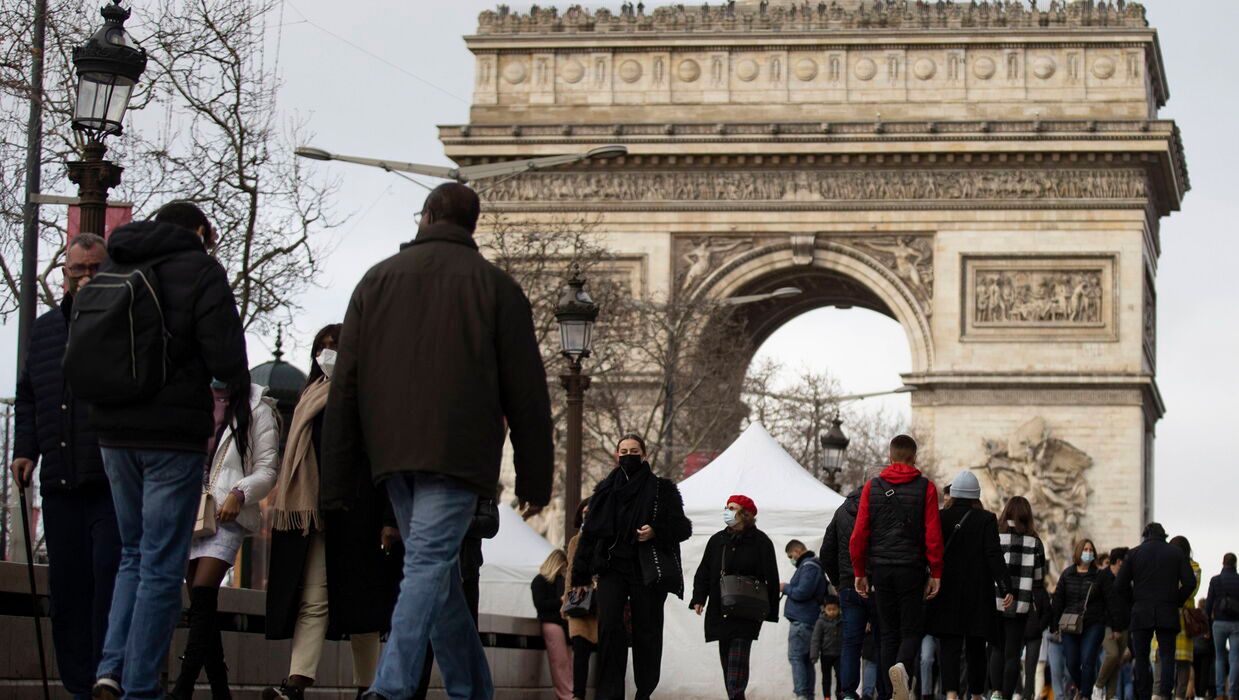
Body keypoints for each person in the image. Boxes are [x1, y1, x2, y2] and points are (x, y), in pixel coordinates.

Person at [320, 182, 555, 700]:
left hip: (391, 455)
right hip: (457, 453)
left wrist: (336, 474)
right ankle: (395, 688)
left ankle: (438, 687)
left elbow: (346, 386)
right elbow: (528, 393)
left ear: (425, 217)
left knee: (431, 570)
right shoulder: (497, 288)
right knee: (432, 571)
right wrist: (537, 475)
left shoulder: (375, 281)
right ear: (472, 225)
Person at [72, 202, 250, 700]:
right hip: (170, 436)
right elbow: (228, 360)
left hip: (112, 432)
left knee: (132, 552)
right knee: (162, 563)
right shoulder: (201, 269)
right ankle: (140, 687)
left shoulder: (117, 261)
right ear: (198, 231)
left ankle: (110, 668)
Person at [262, 325, 402, 700]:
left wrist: (389, 519)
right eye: (320, 347)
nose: (327, 353)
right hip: (315, 514)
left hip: (360, 515)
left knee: (364, 605)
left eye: (334, 346)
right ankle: (297, 681)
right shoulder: (311, 396)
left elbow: (385, 460)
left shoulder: (368, 397)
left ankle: (368, 687)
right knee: (313, 598)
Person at [10, 233, 121, 700]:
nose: (87, 276)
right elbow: (29, 396)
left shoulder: (122, 324)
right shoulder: (44, 331)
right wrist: (24, 451)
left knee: (107, 578)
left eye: (96, 268)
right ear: (65, 274)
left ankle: (107, 673)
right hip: (58, 481)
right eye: (79, 269)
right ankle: (79, 684)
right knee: (68, 588)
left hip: (107, 479)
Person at [170, 381, 280, 699]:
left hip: (228, 514)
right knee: (203, 608)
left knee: (203, 593)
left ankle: (183, 688)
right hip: (191, 511)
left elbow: (267, 469)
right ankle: (221, 690)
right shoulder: (191, 394)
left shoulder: (257, 406)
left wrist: (240, 492)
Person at [572, 434, 692, 700]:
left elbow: (683, 528)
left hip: (645, 571)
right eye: (623, 450)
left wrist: (656, 531)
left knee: (647, 631)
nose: (628, 455)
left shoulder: (662, 489)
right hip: (611, 568)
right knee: (609, 628)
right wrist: (579, 575)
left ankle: (644, 691)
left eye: (634, 450)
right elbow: (589, 534)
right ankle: (610, 693)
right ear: (617, 455)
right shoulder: (604, 490)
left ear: (645, 455)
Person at [850, 435, 945, 700]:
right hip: (912, 569)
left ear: (890, 458)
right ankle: (902, 668)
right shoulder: (925, 488)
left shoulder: (873, 486)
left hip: (880, 568)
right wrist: (935, 572)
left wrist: (860, 572)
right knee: (911, 629)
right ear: (914, 458)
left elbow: (859, 535)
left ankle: (889, 692)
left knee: (888, 631)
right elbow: (933, 535)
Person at [925, 471, 1013, 700]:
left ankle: (952, 693)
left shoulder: (939, 517)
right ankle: (975, 694)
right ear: (976, 495)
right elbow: (994, 555)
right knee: (976, 647)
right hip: (978, 593)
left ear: (953, 494)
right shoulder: (986, 519)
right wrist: (1006, 587)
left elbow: (931, 551)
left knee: (949, 647)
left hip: (946, 592)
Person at [690, 495, 780, 700]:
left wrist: (770, 611)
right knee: (727, 661)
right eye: (726, 507)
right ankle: (735, 696)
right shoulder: (717, 540)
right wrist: (698, 598)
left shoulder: (761, 542)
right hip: (720, 611)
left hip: (747, 611)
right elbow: (704, 571)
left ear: (745, 514)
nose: (727, 511)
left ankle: (736, 696)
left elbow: (771, 578)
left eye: (732, 508)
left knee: (737, 663)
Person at [1112, 523, 1197, 700]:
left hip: (1141, 611)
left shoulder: (1133, 554)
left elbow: (1119, 585)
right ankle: (1165, 693)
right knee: (1167, 655)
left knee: (1141, 657)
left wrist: (1133, 600)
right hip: (1168, 611)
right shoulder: (1176, 553)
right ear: (1164, 536)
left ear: (1145, 535)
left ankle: (1144, 694)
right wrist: (1177, 601)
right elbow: (1190, 582)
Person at [823, 482, 890, 700]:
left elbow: (826, 552)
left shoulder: (841, 511)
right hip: (877, 584)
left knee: (851, 642)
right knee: (882, 639)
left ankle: (849, 693)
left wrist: (839, 581)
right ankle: (883, 691)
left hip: (849, 586)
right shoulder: (882, 509)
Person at [989, 496, 1048, 700]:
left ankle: (995, 693)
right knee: (1012, 654)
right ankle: (1006, 696)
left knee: (996, 648)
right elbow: (1040, 578)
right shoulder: (1035, 541)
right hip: (1020, 604)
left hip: (995, 600)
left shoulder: (995, 535)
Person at [1053, 538, 1109, 700]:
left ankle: (1085, 695)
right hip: (1070, 623)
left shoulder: (1100, 576)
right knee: (1071, 663)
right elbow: (1058, 599)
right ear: (1078, 552)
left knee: (1087, 660)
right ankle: (1083, 687)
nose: (1088, 553)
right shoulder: (1067, 573)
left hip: (1093, 623)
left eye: (1091, 550)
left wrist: (1113, 624)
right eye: (1085, 550)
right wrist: (1054, 623)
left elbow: (1110, 599)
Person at [786, 539, 831, 700]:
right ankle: (807, 695)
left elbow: (802, 592)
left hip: (801, 621)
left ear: (797, 551)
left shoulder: (809, 566)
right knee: (806, 660)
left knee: (797, 658)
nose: (791, 560)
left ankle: (802, 695)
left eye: (791, 556)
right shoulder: (812, 565)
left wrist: (785, 588)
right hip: (808, 620)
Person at [563, 499, 598, 700]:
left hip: (599, 600)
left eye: (589, 511)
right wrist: (567, 602)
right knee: (580, 649)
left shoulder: (604, 536)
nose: (586, 515)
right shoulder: (576, 540)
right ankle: (578, 695)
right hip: (579, 598)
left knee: (605, 652)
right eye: (583, 512)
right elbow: (569, 572)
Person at [533, 550, 573, 700]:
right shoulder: (540, 581)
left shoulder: (558, 581)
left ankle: (569, 693)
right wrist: (561, 601)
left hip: (562, 624)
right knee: (560, 662)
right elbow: (540, 605)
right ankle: (567, 694)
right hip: (552, 623)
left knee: (566, 661)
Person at [1094, 548, 1132, 700]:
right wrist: (1114, 627)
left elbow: (1128, 603)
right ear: (1119, 562)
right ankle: (1098, 685)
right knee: (1113, 654)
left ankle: (1111, 696)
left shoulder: (1126, 580)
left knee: (1117, 662)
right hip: (1107, 625)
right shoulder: (1103, 577)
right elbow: (1105, 604)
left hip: (1123, 627)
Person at [1168, 537, 1202, 700]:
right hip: (1167, 616)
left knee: (1183, 664)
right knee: (1164, 661)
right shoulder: (1164, 566)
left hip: (1184, 620)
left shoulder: (1194, 568)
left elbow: (1191, 590)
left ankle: (1179, 696)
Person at [1205, 552, 1239, 700]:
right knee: (1235, 658)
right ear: (1235, 563)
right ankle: (1232, 692)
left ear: (1223, 563)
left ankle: (1219, 693)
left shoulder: (1215, 580)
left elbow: (1208, 604)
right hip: (1236, 624)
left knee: (1219, 658)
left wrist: (1207, 624)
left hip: (1218, 623)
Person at [813, 597, 844, 700]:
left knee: (840, 676)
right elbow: (816, 639)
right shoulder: (820, 622)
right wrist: (814, 654)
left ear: (839, 609)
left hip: (839, 654)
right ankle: (827, 697)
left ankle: (839, 694)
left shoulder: (843, 621)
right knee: (826, 678)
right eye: (829, 609)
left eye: (834, 609)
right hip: (826, 655)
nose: (832, 612)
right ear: (824, 609)